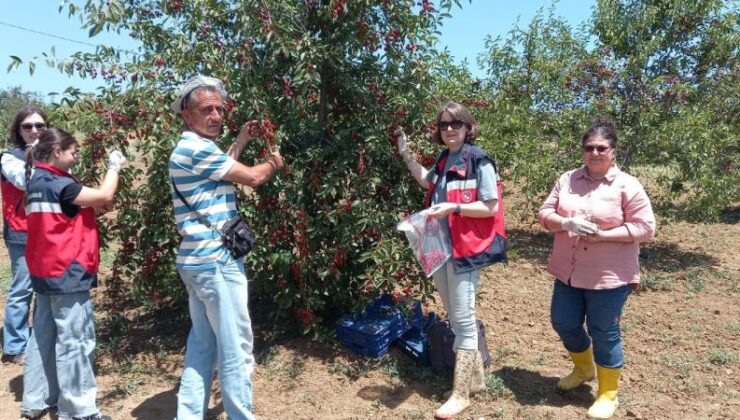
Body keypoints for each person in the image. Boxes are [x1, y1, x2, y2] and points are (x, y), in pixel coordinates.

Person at [168, 75, 284, 420]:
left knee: (203, 343)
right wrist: (276, 161)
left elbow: (223, 169)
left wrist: (243, 139)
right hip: (216, 263)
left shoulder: (194, 148)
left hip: (197, 262)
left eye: (220, 109)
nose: (216, 115)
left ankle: (187, 415)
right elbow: (251, 177)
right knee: (234, 346)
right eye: (207, 109)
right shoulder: (196, 147)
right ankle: (240, 415)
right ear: (187, 115)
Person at [538, 117, 656, 419]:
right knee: (563, 321)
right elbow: (544, 213)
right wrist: (565, 222)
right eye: (589, 147)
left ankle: (608, 393)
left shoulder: (627, 185)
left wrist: (603, 235)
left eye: (601, 147)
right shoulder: (568, 180)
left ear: (613, 150)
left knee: (604, 331)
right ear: (582, 151)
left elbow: (645, 227)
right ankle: (584, 368)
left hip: (609, 275)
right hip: (569, 271)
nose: (595, 153)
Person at [395, 101, 507, 419]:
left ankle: (460, 395)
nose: (448, 130)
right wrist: (406, 154)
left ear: (468, 127)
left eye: (455, 124)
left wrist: (454, 208)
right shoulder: (446, 160)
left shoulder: (480, 160)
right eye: (443, 125)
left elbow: (490, 207)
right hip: (443, 247)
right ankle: (476, 382)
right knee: (457, 318)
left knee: (463, 319)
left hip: (467, 250)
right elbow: (426, 181)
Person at [21, 127, 125, 420]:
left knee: (42, 337)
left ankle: (37, 400)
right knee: (75, 340)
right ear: (57, 152)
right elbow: (105, 193)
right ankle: (78, 410)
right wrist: (114, 166)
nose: (77, 154)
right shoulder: (59, 183)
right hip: (67, 269)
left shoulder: (38, 182)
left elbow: (64, 215)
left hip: (44, 270)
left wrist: (92, 209)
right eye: (73, 150)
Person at [1, 107, 48, 365]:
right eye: (27, 126)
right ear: (18, 131)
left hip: (47, 231)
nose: (34, 131)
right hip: (21, 232)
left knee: (44, 287)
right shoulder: (9, 158)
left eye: (39, 126)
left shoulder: (52, 155)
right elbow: (24, 181)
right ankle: (14, 346)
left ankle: (38, 338)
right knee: (22, 287)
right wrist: (34, 157)